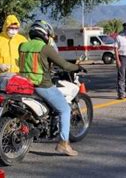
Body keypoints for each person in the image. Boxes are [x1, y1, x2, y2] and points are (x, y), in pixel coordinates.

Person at [19, 20, 84, 156]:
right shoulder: (45, 48)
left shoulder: (22, 46)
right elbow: (64, 65)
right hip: (42, 85)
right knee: (64, 109)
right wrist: (78, 67)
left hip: (24, 84)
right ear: (45, 33)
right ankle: (63, 143)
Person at [0, 15, 28, 85]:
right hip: (0, 80)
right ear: (6, 27)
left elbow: (28, 57)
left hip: (19, 79)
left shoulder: (22, 40)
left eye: (16, 28)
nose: (14, 30)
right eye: (11, 28)